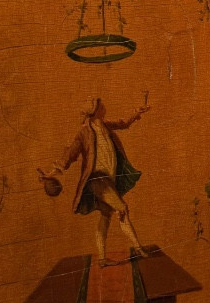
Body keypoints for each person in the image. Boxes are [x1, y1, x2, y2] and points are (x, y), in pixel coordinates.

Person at [41, 97, 148, 264]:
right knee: (122, 208)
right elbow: (69, 155)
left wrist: (136, 113)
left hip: (109, 179)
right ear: (95, 110)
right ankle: (138, 248)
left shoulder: (104, 125)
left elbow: (123, 123)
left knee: (106, 215)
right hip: (97, 179)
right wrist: (52, 171)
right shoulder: (84, 133)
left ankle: (102, 258)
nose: (104, 106)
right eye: (101, 105)